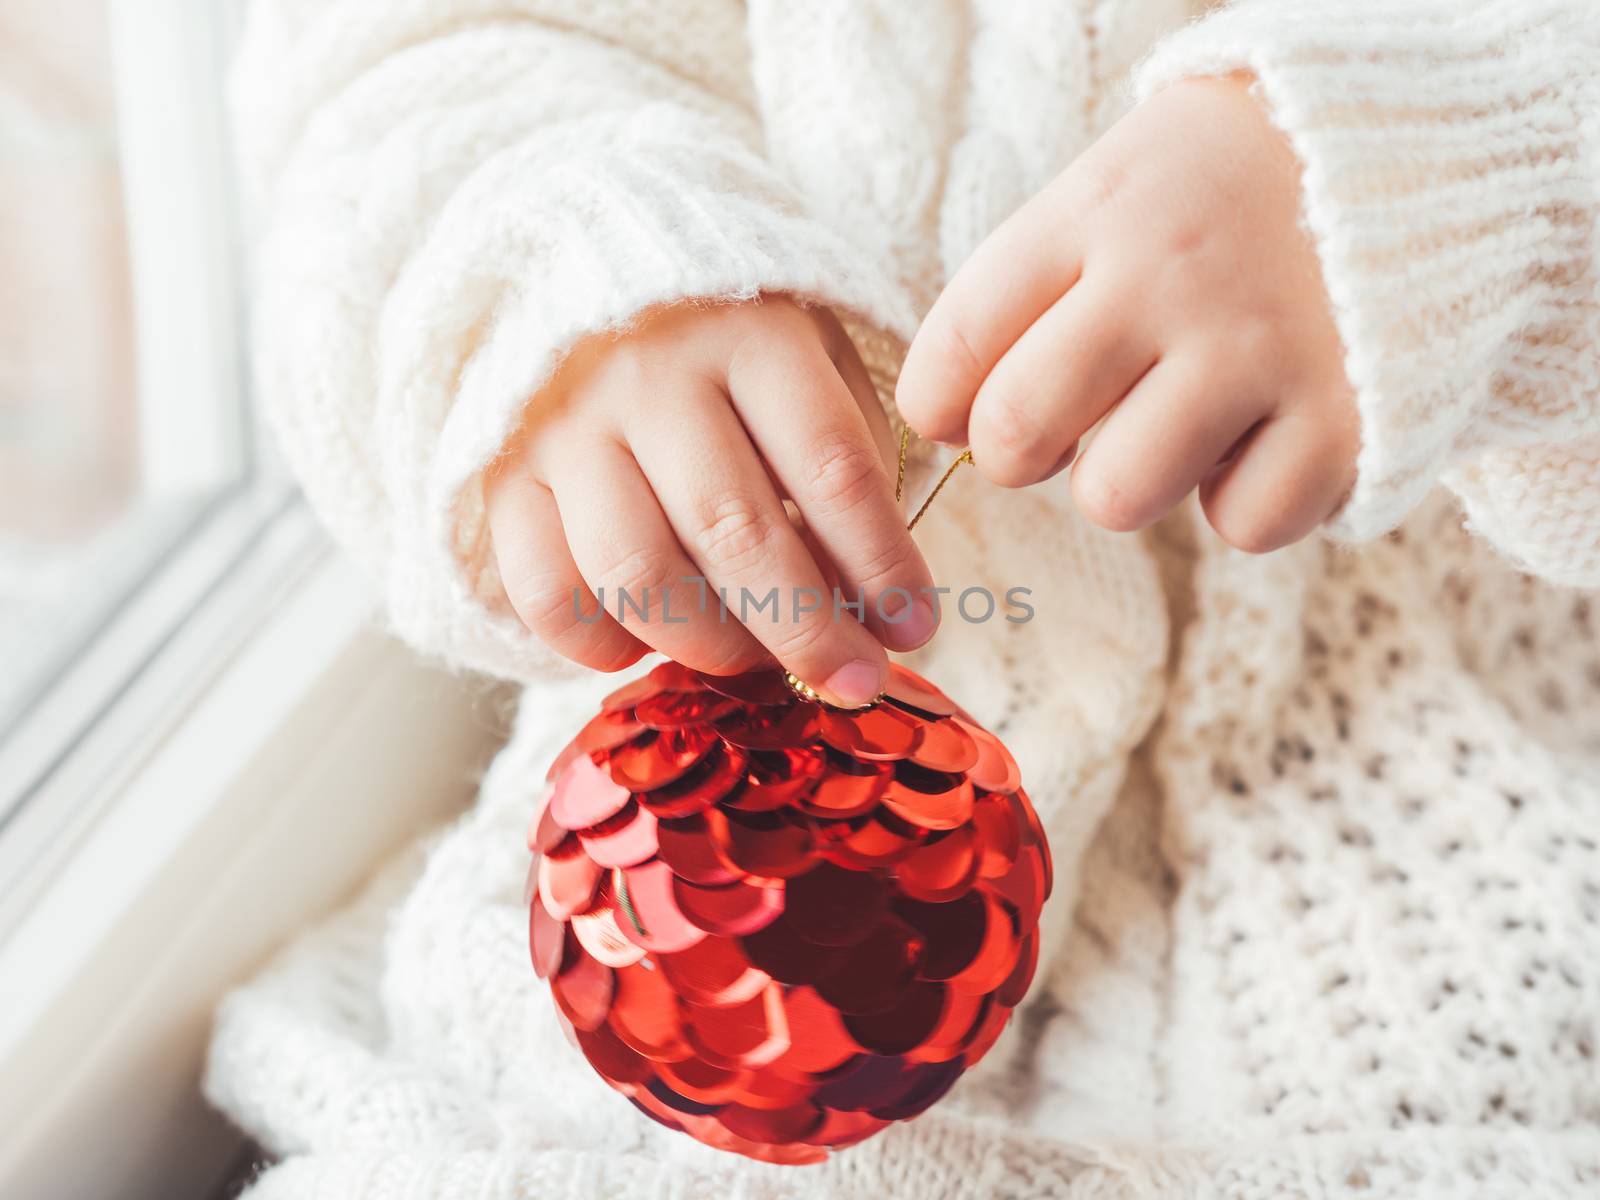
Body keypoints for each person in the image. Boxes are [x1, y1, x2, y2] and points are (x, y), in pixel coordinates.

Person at [207, 1, 1600, 1195]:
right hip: (687, 900)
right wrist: (577, 272)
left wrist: (1451, 171)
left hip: (1455, 846)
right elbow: (398, 69)